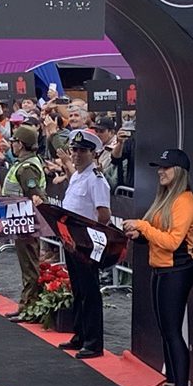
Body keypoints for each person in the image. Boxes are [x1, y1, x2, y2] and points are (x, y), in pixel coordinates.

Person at [122, 149, 193, 386]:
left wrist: (143, 226)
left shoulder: (185, 201)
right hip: (162, 269)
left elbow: (173, 242)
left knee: (173, 331)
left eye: (166, 167)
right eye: (160, 167)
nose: (160, 172)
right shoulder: (166, 198)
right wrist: (139, 235)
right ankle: (171, 384)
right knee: (166, 331)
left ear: (179, 171)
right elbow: (157, 235)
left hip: (177, 270)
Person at [57, 129, 111, 359]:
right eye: (75, 150)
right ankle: (79, 334)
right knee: (78, 289)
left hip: (86, 242)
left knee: (90, 291)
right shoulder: (78, 176)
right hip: (72, 240)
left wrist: (90, 237)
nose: (77, 154)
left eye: (83, 151)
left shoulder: (95, 180)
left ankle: (93, 342)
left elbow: (104, 214)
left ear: (93, 153)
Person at [2, 126, 46, 322]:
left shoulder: (27, 168)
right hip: (20, 220)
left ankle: (30, 306)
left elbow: (36, 195)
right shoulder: (24, 163)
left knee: (29, 265)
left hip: (26, 221)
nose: (12, 145)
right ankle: (26, 304)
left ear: (20, 144)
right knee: (27, 263)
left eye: (14, 141)